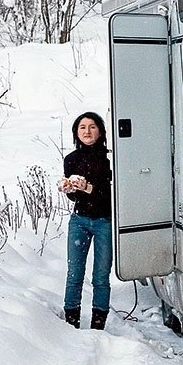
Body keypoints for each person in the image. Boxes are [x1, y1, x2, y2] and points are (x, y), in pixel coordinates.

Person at [59, 112, 112, 330]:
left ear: (100, 131)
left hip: (104, 222)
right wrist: (69, 189)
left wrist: (87, 187)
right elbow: (74, 197)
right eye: (82, 127)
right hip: (79, 220)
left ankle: (98, 325)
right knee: (74, 274)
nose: (87, 132)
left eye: (92, 127)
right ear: (76, 132)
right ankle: (71, 324)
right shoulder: (71, 160)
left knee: (100, 276)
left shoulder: (109, 159)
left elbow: (110, 195)